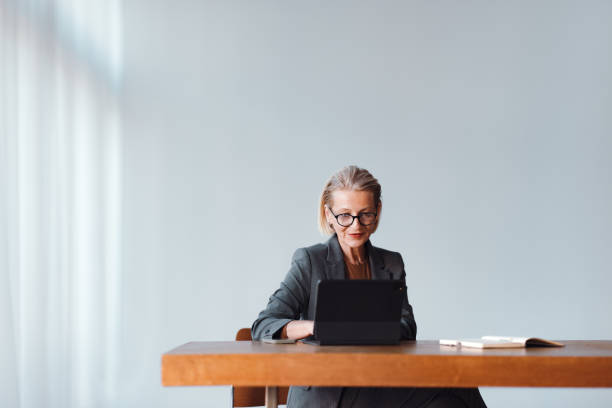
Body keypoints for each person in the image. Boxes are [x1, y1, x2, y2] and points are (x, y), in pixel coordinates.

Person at [252, 165, 487, 408]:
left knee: (451, 398)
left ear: (378, 211)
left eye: (365, 214)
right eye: (344, 215)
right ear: (329, 216)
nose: (355, 225)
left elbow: (407, 326)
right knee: (455, 388)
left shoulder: (391, 263)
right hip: (328, 391)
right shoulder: (311, 261)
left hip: (378, 382)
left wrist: (370, 329)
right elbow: (264, 325)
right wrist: (315, 327)